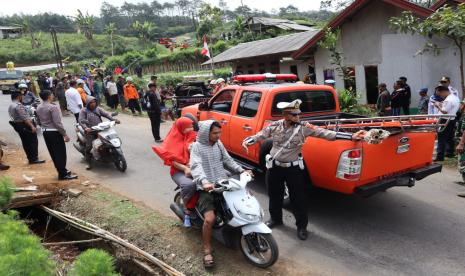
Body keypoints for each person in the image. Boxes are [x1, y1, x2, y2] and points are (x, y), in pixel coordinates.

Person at [242, 99, 366, 241]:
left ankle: (301, 227)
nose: (297, 117)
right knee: (274, 194)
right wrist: (250, 140)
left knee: (298, 199)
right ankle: (276, 219)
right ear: (285, 115)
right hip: (274, 167)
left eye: (298, 114)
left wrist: (351, 136)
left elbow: (325, 133)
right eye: (294, 115)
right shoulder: (274, 126)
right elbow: (261, 135)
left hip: (293, 169)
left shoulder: (303, 128)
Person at [190, 120, 253, 268]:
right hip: (206, 188)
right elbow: (196, 166)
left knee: (241, 203)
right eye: (215, 133)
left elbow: (227, 160)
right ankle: (206, 250)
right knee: (210, 219)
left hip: (222, 182)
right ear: (206, 133)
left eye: (219, 132)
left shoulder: (218, 144)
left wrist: (241, 170)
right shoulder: (196, 147)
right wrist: (204, 182)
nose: (218, 135)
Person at [152, 117, 197, 227]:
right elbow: (172, 161)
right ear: (181, 127)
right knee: (189, 184)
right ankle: (187, 209)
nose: (191, 129)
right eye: (189, 127)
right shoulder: (171, 140)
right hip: (178, 171)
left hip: (195, 167)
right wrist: (186, 168)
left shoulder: (192, 135)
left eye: (192, 126)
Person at [36, 91, 78, 180]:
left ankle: (62, 171)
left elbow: (38, 121)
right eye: (52, 94)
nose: (53, 95)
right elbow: (57, 123)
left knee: (53, 153)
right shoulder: (52, 107)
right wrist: (64, 134)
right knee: (60, 153)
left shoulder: (39, 107)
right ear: (49, 96)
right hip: (54, 132)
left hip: (45, 132)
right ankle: (63, 174)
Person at [78, 96, 120, 170]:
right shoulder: (83, 111)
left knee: (109, 141)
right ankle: (89, 163)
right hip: (90, 131)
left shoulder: (98, 109)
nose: (93, 104)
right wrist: (86, 128)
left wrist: (114, 119)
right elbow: (81, 120)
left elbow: (106, 114)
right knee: (89, 146)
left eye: (94, 102)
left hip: (100, 129)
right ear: (87, 103)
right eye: (91, 102)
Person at [8, 91, 45, 165]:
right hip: (24, 125)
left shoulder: (11, 105)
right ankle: (34, 159)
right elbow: (25, 118)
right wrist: (32, 126)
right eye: (21, 96)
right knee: (32, 142)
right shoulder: (18, 105)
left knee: (26, 142)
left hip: (18, 125)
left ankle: (31, 158)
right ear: (19, 97)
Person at [434, 85, 460, 161]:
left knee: (441, 137)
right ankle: (450, 152)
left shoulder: (448, 100)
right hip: (452, 119)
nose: (441, 96)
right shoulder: (455, 98)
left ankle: (440, 156)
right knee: (449, 137)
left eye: (440, 94)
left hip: (445, 120)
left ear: (443, 91)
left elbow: (444, 111)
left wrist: (437, 105)